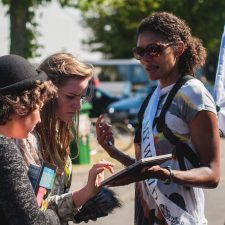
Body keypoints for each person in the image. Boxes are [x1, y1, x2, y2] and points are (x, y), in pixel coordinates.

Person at [96, 12, 220, 225]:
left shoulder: (193, 95)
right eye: (140, 51)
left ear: (179, 49)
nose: (145, 58)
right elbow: (146, 171)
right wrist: (113, 151)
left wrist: (167, 174)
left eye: (154, 50)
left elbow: (212, 174)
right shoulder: (150, 100)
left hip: (181, 218)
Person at [0, 54, 114, 225]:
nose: (78, 106)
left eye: (82, 97)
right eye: (70, 96)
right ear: (48, 93)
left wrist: (86, 197)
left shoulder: (58, 137)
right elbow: (32, 216)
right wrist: (73, 209)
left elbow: (42, 204)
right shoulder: (19, 140)